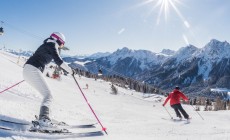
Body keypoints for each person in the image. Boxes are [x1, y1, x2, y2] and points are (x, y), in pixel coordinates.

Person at [23, 32, 74, 127]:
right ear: (59, 40)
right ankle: (43, 119)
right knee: (48, 95)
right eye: (62, 44)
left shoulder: (46, 44)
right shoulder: (53, 44)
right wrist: (70, 71)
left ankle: (46, 116)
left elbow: (39, 58)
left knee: (47, 95)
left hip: (29, 69)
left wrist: (31, 72)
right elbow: (58, 60)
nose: (62, 46)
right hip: (32, 69)